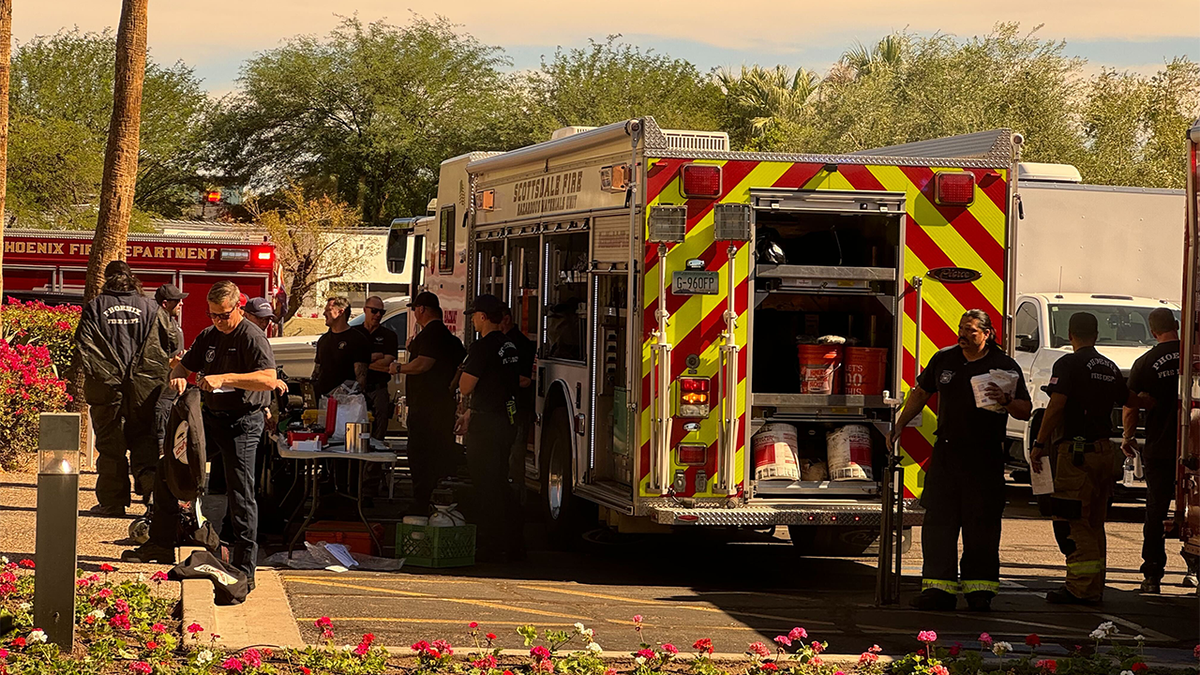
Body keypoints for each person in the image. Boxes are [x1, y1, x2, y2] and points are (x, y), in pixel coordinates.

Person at [123, 281, 277, 590]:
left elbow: (268, 379)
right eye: (212, 315)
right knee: (170, 469)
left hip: (242, 422)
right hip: (211, 417)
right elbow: (182, 367)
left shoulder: (251, 336)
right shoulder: (209, 336)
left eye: (223, 315)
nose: (217, 321)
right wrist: (178, 377)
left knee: (240, 493)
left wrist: (226, 378)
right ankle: (160, 543)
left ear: (238, 309)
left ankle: (246, 568)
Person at [888, 309, 1032, 611]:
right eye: (961, 329)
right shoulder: (945, 359)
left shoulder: (1003, 366)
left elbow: (1025, 410)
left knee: (982, 526)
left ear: (987, 334)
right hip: (947, 455)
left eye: (971, 331)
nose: (963, 335)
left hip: (985, 457)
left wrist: (1005, 400)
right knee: (939, 523)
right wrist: (900, 424)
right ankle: (938, 590)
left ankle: (980, 591)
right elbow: (921, 392)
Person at [1031, 312, 1130, 605]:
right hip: (1103, 452)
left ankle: (1080, 589)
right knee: (1095, 521)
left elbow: (1057, 404)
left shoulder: (1069, 363)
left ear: (1070, 334)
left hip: (1076, 456)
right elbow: (1129, 399)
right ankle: (1094, 586)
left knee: (1073, 521)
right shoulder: (1109, 366)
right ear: (1096, 335)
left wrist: (1039, 443)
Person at [74, 261, 179, 516]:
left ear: (107, 279)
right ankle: (152, 497)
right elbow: (173, 342)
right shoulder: (151, 307)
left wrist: (109, 373)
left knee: (111, 446)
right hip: (145, 389)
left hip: (107, 389)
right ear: (132, 279)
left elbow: (83, 346)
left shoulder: (95, 307)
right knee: (146, 441)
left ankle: (112, 502)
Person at [457, 294, 524, 562]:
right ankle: (514, 542)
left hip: (486, 426)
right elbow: (504, 384)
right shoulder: (509, 345)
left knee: (486, 485)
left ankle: (492, 544)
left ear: (483, 317)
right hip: (507, 419)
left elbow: (466, 386)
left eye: (474, 315)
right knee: (500, 481)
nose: (472, 320)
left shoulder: (481, 347)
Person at [1122, 308, 1181, 594]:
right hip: (1195, 446)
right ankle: (1194, 569)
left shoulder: (1145, 362)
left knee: (1156, 511)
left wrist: (1128, 437)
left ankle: (1152, 575)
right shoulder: (1195, 356)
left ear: (1152, 331)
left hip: (1161, 447)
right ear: (1177, 326)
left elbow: (1131, 404)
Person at [390, 292, 465, 515]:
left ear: (422, 309)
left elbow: (423, 364)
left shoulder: (431, 335)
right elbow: (461, 367)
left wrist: (399, 368)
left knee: (421, 455)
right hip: (442, 403)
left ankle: (421, 501)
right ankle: (437, 501)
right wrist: (451, 389)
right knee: (439, 452)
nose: (414, 313)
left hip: (427, 407)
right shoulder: (449, 338)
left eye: (414, 309)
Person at [500, 306, 536, 499]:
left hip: (517, 408)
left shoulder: (518, 344)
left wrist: (497, 382)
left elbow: (525, 379)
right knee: (509, 455)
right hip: (510, 407)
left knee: (514, 457)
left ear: (506, 319)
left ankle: (514, 500)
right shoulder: (506, 342)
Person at [355, 296, 399, 441]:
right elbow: (348, 360)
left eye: (382, 312)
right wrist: (374, 357)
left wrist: (362, 362)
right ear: (365, 310)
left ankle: (375, 463)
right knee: (354, 430)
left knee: (379, 432)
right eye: (374, 311)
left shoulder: (389, 335)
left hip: (378, 388)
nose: (378, 315)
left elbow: (387, 363)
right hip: (355, 390)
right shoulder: (354, 333)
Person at [312, 296, 370, 398]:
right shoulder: (323, 340)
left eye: (328, 310)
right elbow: (317, 371)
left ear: (340, 312)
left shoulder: (357, 339)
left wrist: (346, 397)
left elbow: (361, 379)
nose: (324, 314)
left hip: (346, 403)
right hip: (323, 401)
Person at [153, 284, 188, 451]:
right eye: (177, 301)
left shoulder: (171, 323)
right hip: (160, 393)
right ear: (165, 304)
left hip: (171, 392)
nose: (181, 303)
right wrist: (168, 363)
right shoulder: (156, 325)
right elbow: (146, 358)